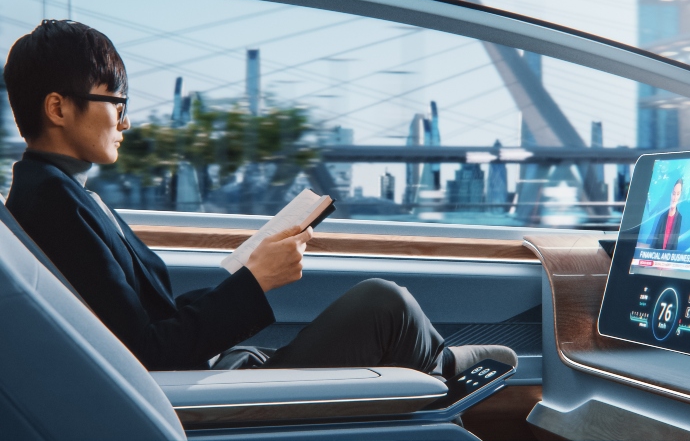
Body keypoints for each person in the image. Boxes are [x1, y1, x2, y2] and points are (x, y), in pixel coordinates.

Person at [3, 20, 516, 378]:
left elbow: (144, 322)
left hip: (203, 371)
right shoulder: (56, 206)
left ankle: (436, 363)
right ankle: (441, 368)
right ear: (59, 108)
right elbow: (146, 353)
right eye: (116, 102)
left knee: (383, 308)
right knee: (386, 305)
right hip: (186, 392)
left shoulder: (60, 195)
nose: (126, 121)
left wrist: (245, 274)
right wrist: (256, 281)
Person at [649, 178, 683, 251]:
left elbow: (675, 243)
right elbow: (655, 239)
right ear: (670, 194)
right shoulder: (663, 216)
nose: (675, 197)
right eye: (674, 193)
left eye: (678, 194)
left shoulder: (679, 218)